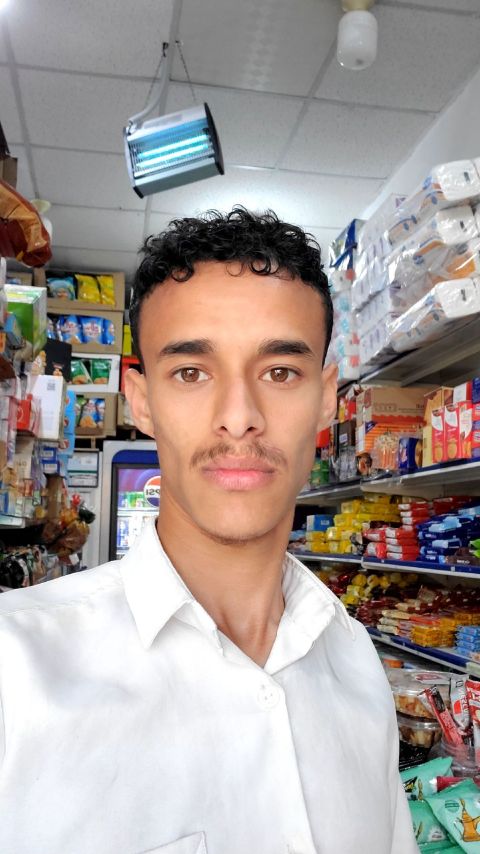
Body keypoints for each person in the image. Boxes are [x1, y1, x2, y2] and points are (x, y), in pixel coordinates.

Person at [0, 208, 418, 854]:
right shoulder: (17, 671)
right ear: (142, 401)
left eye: (280, 372)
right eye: (191, 372)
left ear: (325, 396)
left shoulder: (356, 663)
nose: (239, 416)